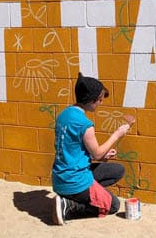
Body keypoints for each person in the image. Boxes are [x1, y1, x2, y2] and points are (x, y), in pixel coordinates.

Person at [51, 72, 131, 225]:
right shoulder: (84, 124)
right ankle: (69, 205)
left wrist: (103, 155)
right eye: (99, 100)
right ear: (92, 101)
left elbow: (75, 148)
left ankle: (81, 196)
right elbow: (97, 153)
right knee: (113, 205)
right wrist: (117, 134)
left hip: (60, 178)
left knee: (117, 171)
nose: (100, 103)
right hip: (74, 179)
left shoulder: (63, 115)